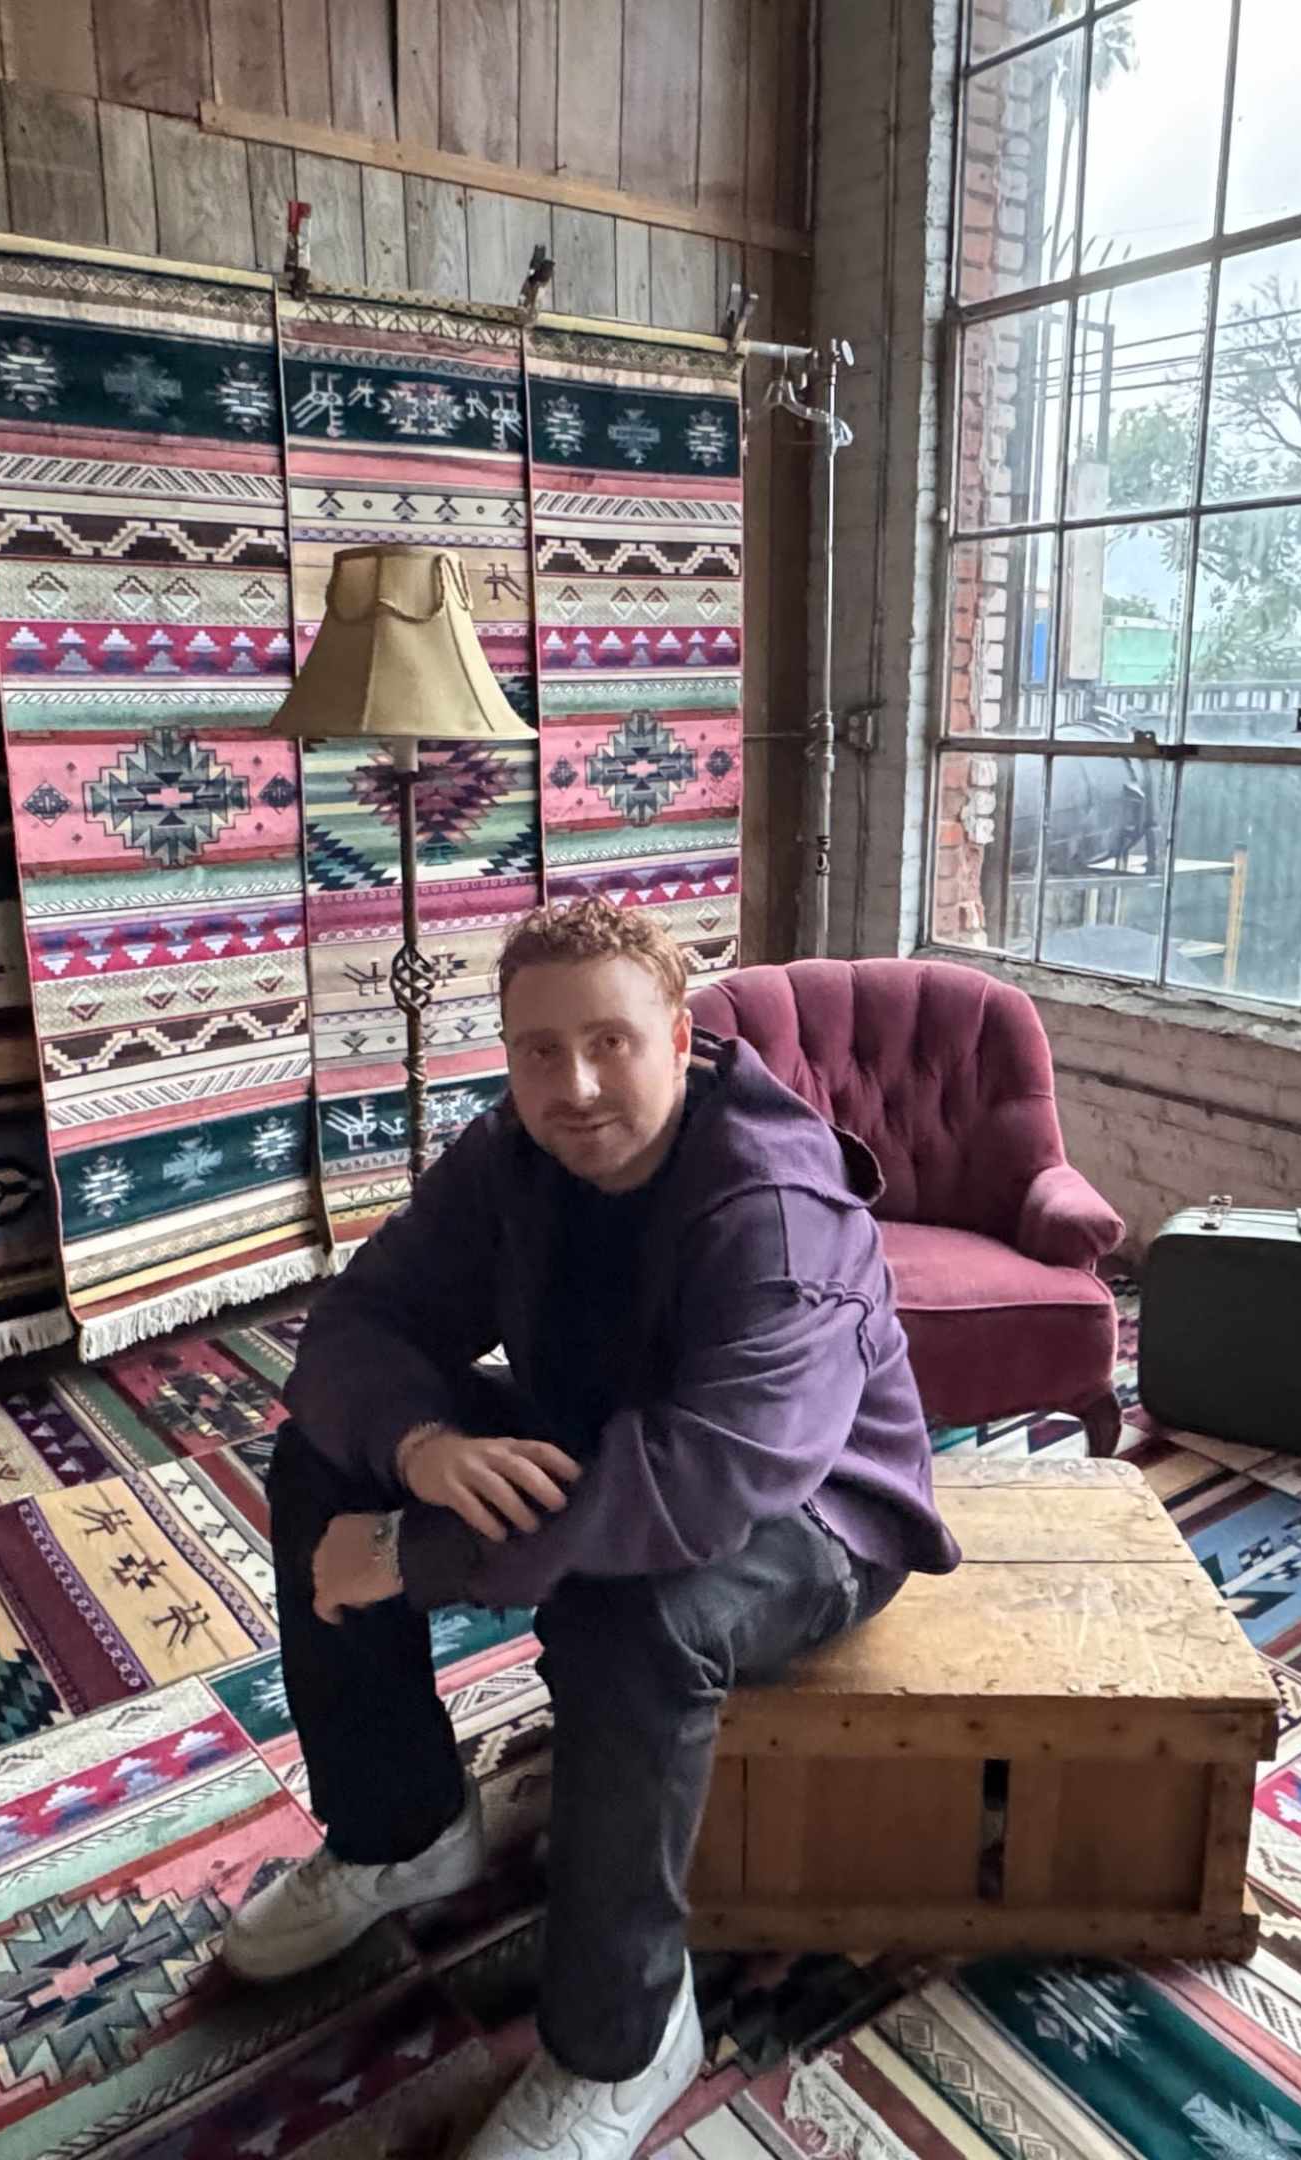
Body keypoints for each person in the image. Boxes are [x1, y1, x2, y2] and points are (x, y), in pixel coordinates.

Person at [228, 899, 959, 2160]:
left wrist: (418, 1554)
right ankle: (405, 1832)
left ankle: (624, 2036)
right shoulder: (513, 1151)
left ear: (679, 1038)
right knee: (325, 1456)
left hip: (818, 1509)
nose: (572, 1085)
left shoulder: (778, 1204)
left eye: (611, 1043)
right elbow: (355, 1329)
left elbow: (703, 1483)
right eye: (536, 1051)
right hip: (614, 1443)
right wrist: (420, 1452)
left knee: (634, 1608)